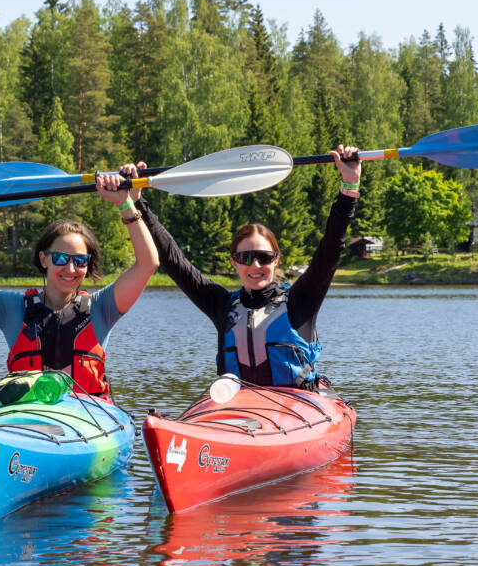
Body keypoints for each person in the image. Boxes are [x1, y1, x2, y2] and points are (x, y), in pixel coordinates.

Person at [121, 145, 360, 390]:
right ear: (234, 261)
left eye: (264, 257)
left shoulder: (302, 300)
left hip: (296, 409)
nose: (255, 265)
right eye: (245, 258)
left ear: (276, 260)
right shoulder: (222, 306)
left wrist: (349, 186)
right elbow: (174, 261)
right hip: (239, 410)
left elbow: (331, 248)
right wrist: (138, 203)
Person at [0, 172, 158, 401]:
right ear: (44, 259)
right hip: (30, 423)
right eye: (61, 259)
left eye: (80, 261)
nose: (71, 269)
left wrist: (125, 204)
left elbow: (148, 263)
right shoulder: (10, 308)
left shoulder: (103, 308)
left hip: (89, 427)